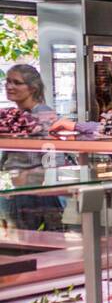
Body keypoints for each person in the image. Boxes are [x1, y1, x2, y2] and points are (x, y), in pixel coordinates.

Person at [1, 65, 63, 231]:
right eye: (8, 81)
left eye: (17, 82)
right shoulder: (16, 114)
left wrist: (30, 177)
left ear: (32, 87)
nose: (9, 86)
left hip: (35, 196)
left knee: (31, 247)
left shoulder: (43, 114)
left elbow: (54, 156)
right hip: (17, 191)